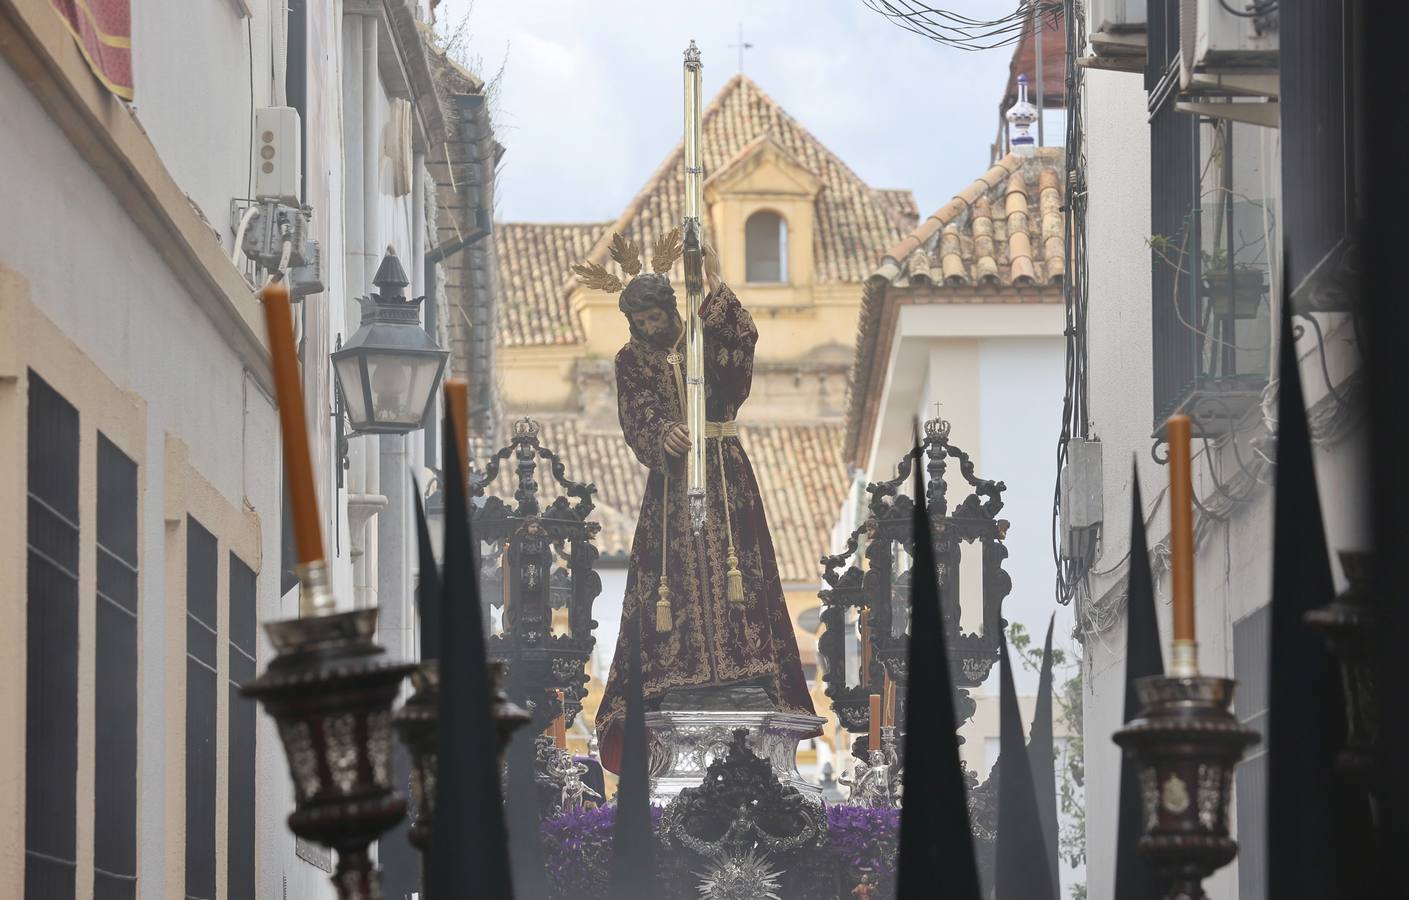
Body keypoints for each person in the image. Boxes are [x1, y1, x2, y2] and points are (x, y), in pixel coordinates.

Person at [589, 238, 815, 772]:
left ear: (671, 308)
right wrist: (659, 432)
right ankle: (679, 675)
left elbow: (738, 362)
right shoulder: (629, 360)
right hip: (672, 486)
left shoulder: (702, 334)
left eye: (656, 315)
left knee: (740, 571)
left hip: (723, 469)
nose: (650, 327)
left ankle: (743, 670)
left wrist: (711, 281)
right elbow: (635, 413)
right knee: (674, 579)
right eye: (640, 320)